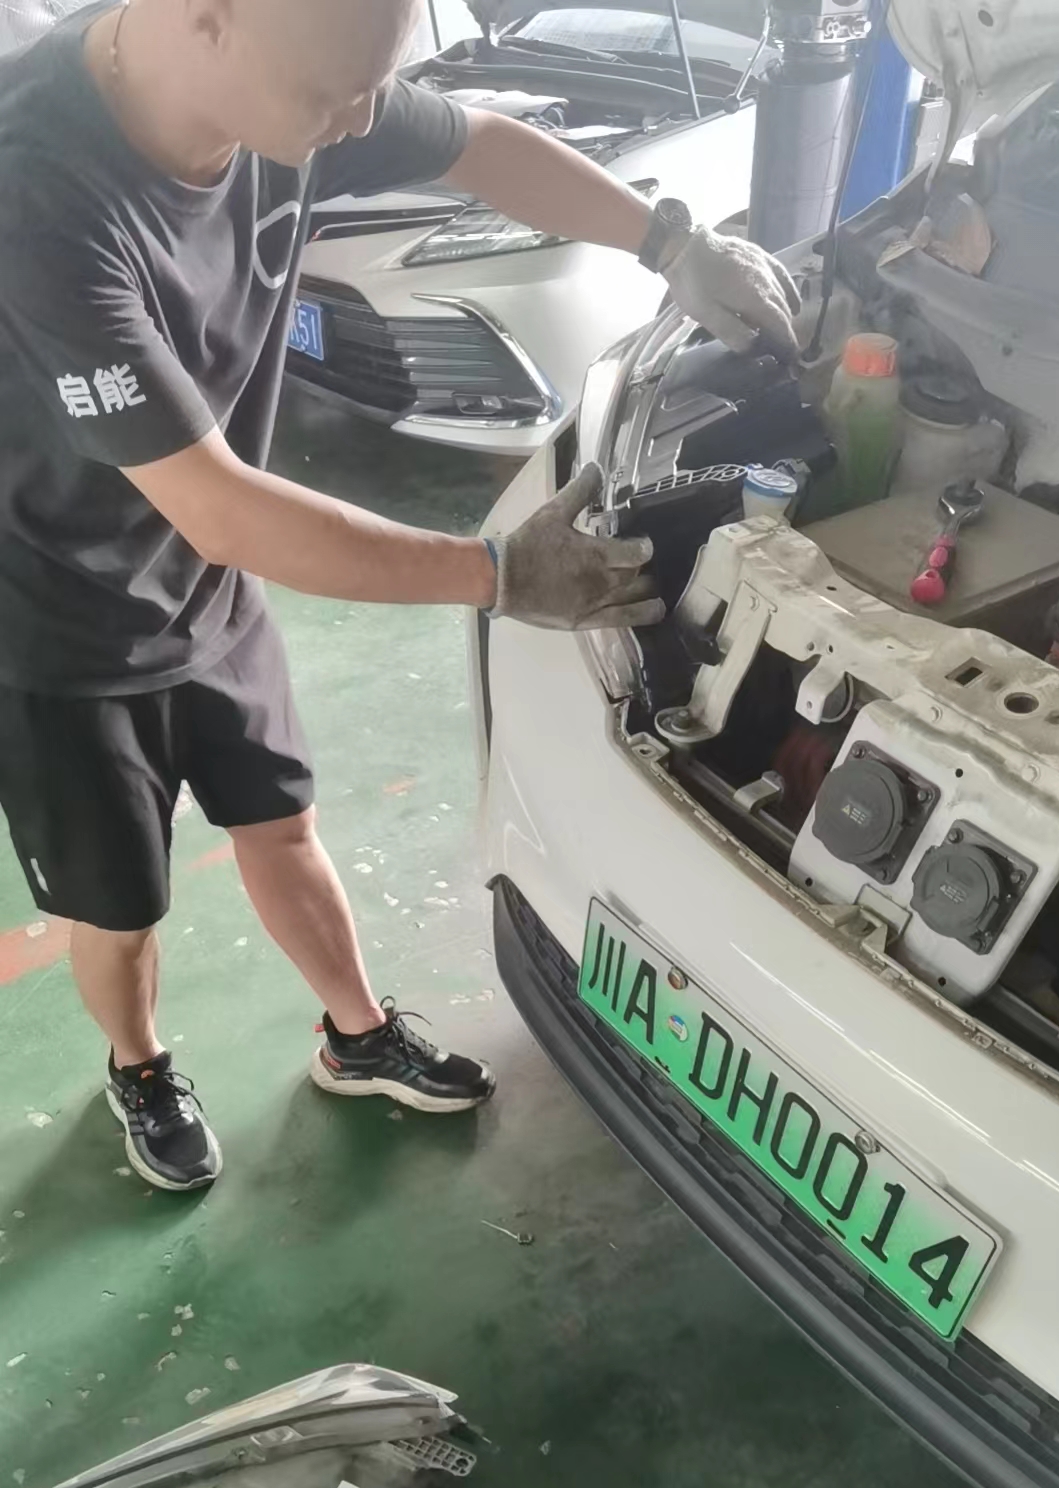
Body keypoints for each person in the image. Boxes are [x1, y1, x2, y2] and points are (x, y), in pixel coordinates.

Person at [0, 0, 800, 1193]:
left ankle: (356, 1034)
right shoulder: (39, 197)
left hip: (212, 588)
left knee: (280, 823)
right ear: (204, 21)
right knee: (119, 911)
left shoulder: (296, 81)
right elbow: (219, 504)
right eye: (332, 97)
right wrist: (497, 574)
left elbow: (474, 141)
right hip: (60, 627)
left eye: (372, 86)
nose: (360, 120)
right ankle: (140, 1065)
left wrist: (668, 240)